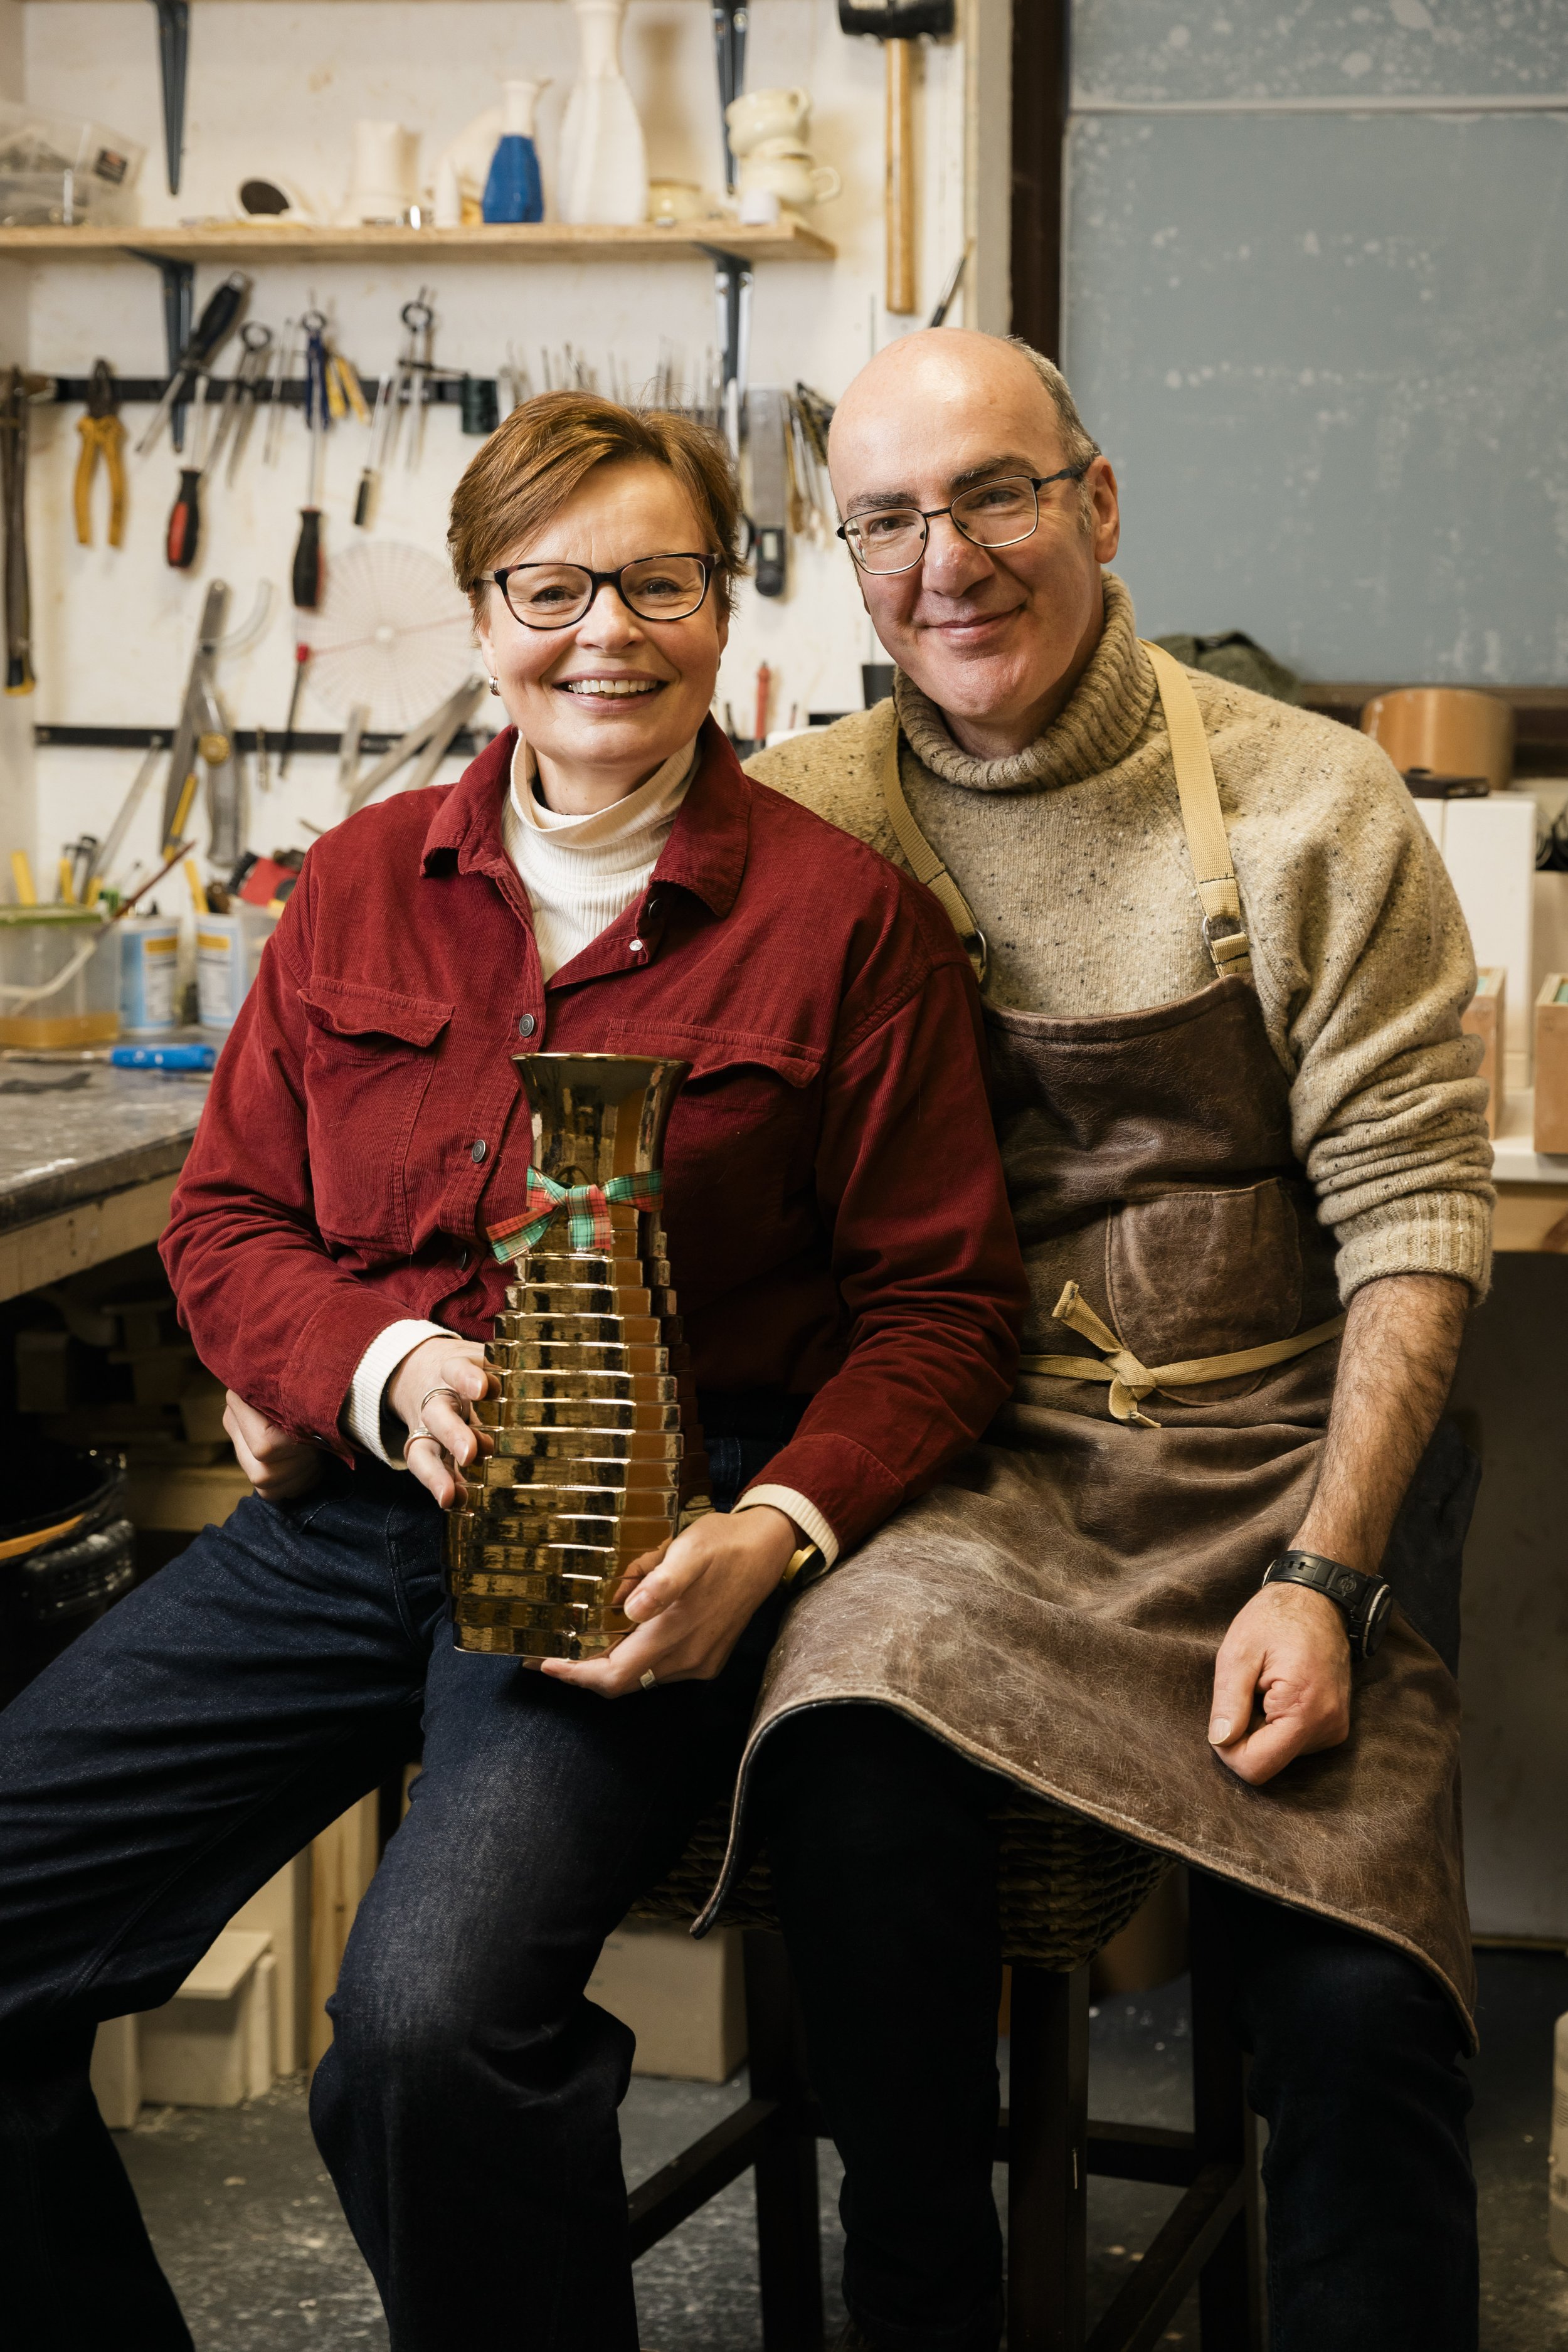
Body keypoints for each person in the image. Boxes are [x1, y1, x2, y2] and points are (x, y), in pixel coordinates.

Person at [0, 392, 1027, 2351]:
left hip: (641, 1532)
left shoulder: (844, 929)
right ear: (483, 617)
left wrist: (772, 1530)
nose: (604, 635)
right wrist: (377, 1366)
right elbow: (224, 1224)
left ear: (727, 610)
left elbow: (942, 1313)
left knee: (421, 2033)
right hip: (360, 1507)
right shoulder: (362, 881)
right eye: (550, 588)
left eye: (658, 582)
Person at [742, 329, 1491, 2352]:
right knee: (851, 1792)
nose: (944, 560)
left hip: (1277, 1458)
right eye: (884, 520)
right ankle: (934, 2304)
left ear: (1097, 500)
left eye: (991, 493)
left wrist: (1326, 1574)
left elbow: (1416, 1217)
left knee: (1351, 2006)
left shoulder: (1307, 800)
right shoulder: (797, 820)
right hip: (967, 1472)